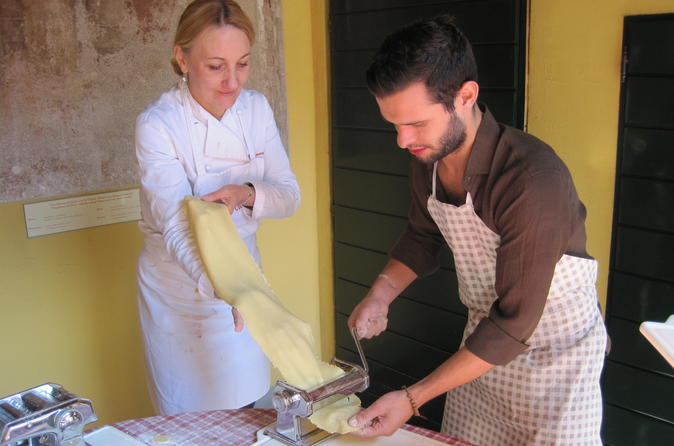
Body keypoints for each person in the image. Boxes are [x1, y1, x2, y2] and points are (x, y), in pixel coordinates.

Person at [347, 15, 607, 446]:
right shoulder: (427, 159)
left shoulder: (531, 180)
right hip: (480, 356)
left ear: (466, 96)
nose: (402, 140)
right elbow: (422, 236)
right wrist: (380, 295)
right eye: (394, 123)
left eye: (416, 123)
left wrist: (412, 399)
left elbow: (514, 322)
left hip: (557, 365)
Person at [134, 0, 299, 415]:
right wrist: (227, 289)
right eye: (215, 66)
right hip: (180, 296)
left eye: (242, 64)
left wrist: (246, 192)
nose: (232, 83)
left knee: (252, 412)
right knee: (189, 420)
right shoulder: (158, 125)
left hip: (246, 278)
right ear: (182, 58)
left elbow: (288, 196)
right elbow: (177, 227)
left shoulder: (256, 109)